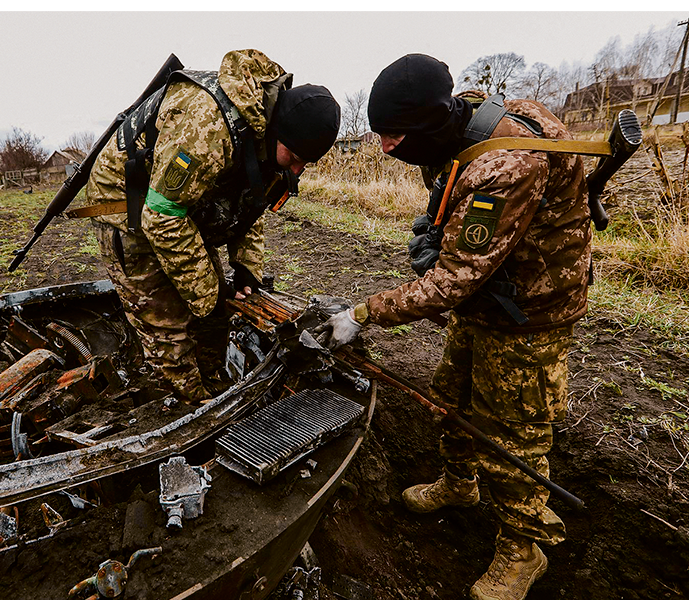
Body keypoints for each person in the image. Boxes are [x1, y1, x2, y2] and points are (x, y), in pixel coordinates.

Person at [318, 54, 591, 600]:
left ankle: (522, 550)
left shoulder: (506, 165)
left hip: (528, 320)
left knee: (511, 435)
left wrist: (361, 314)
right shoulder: (465, 128)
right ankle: (460, 485)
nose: (385, 148)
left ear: (425, 125)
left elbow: (450, 284)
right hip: (492, 301)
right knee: (450, 397)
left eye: (393, 136)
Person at [82, 49, 340, 403]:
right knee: (172, 329)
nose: (295, 171)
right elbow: (161, 215)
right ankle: (182, 404)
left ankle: (216, 387)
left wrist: (246, 267)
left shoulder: (263, 129)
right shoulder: (206, 127)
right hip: (128, 207)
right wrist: (207, 294)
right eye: (293, 159)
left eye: (304, 164)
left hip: (175, 206)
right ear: (278, 130)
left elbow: (251, 200)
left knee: (213, 314)